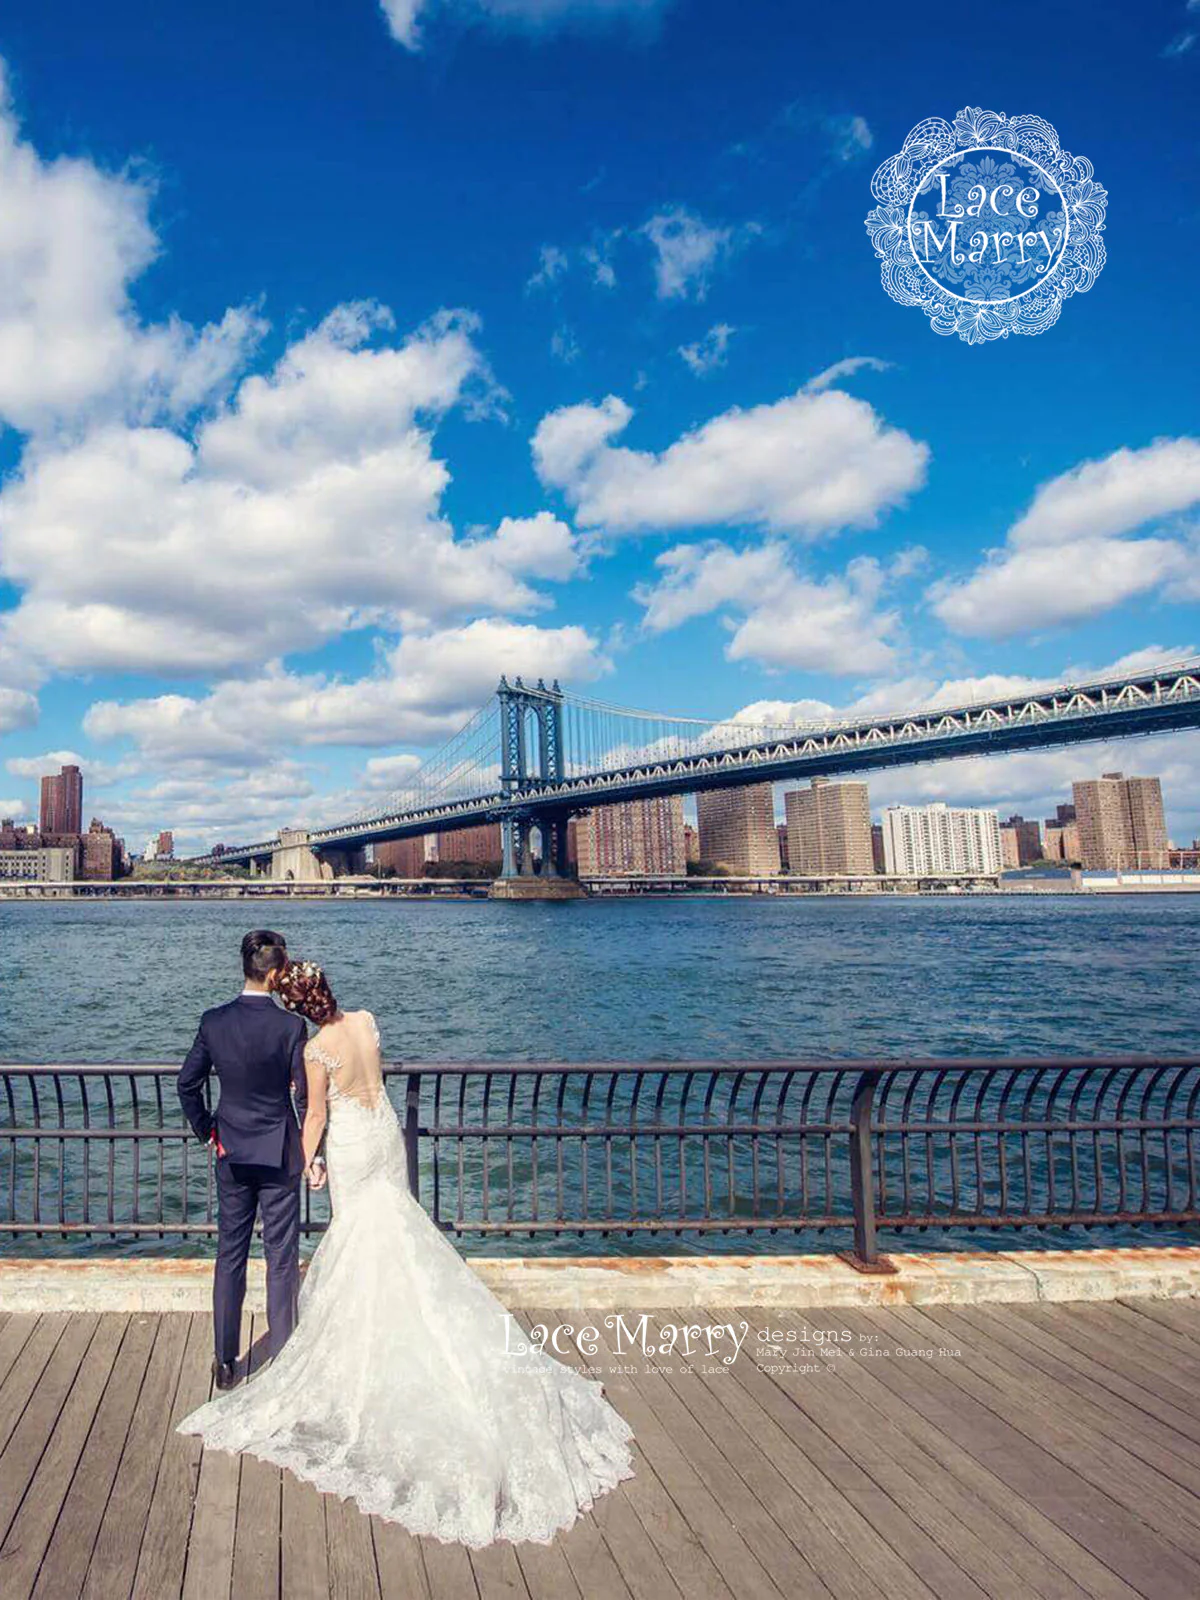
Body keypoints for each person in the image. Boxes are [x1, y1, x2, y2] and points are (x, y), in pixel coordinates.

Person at [179, 958, 634, 1547]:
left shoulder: (312, 1048)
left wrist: (306, 1161)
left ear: (297, 1004)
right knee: (396, 1231)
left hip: (341, 1146)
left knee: (352, 1241)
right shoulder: (367, 1021)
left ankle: (340, 1345)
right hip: (384, 1135)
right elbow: (367, 1080)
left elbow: (314, 1113)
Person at [177, 930, 309, 1390]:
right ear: (273, 976)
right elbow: (303, 1097)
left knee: (230, 1255)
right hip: (278, 1153)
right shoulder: (291, 1027)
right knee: (281, 1258)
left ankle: (225, 1362)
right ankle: (284, 1360)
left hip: (230, 1151)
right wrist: (313, 1152)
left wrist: (208, 1130)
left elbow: (186, 1085)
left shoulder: (213, 1022)